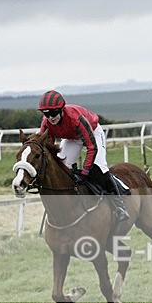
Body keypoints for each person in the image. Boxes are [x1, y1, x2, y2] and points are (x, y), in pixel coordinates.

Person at [37, 90, 129, 221]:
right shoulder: (46, 123)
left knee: (98, 167)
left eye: (54, 113)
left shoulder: (75, 118)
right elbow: (48, 149)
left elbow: (91, 147)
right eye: (46, 114)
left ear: (61, 109)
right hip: (71, 138)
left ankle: (119, 205)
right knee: (62, 168)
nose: (51, 117)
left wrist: (85, 171)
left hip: (93, 133)